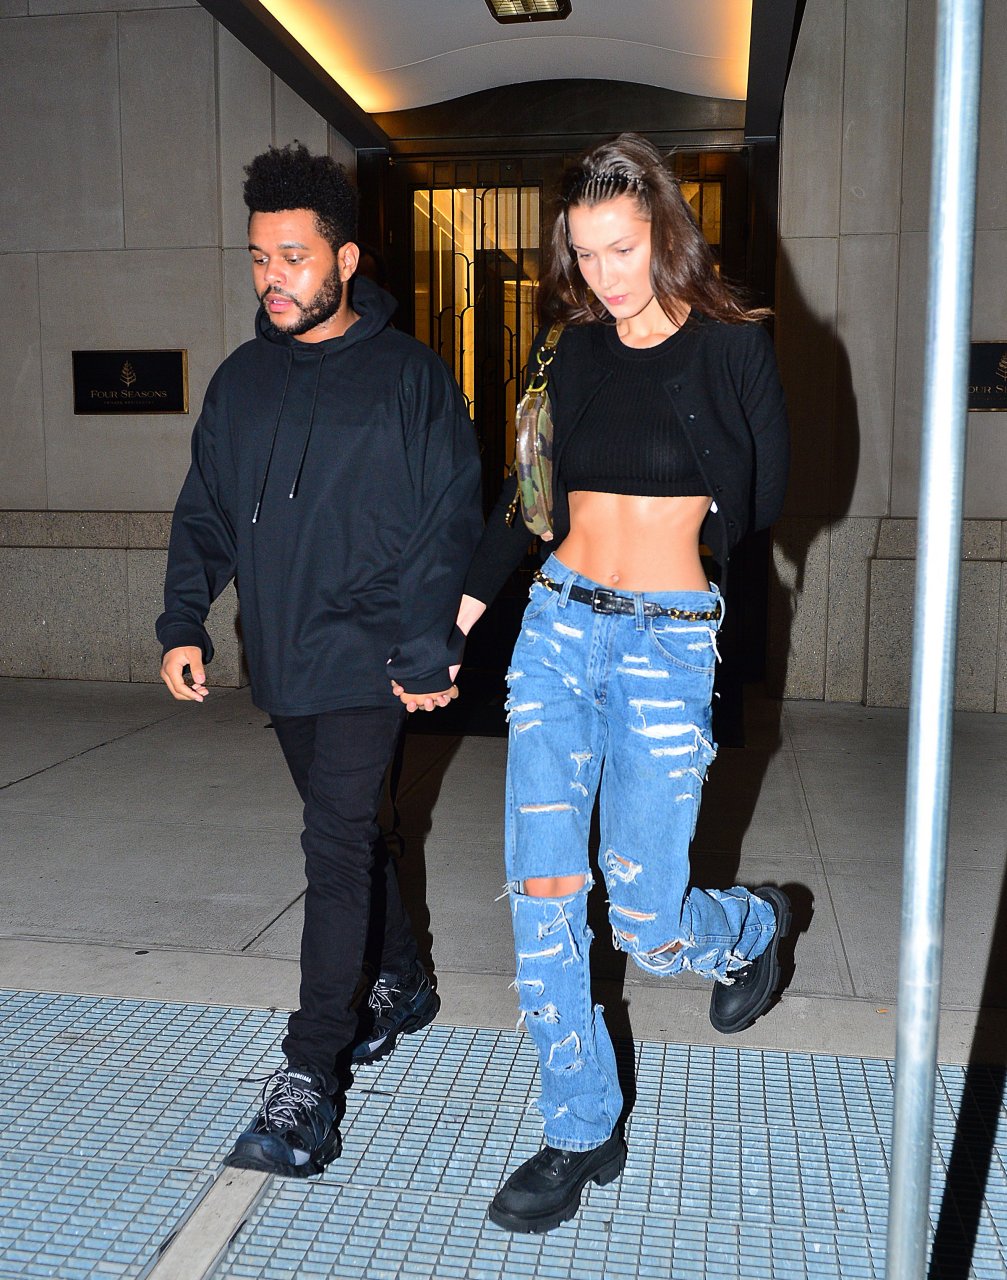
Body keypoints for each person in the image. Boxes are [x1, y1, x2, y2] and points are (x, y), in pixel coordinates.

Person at [452, 133, 791, 1233]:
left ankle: (749, 925)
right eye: (585, 251)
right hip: (555, 630)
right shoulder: (564, 350)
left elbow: (766, 496)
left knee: (646, 918)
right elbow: (525, 497)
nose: (603, 273)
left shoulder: (732, 348)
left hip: (665, 643)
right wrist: (457, 621)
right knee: (544, 895)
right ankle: (578, 1123)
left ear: (665, 236)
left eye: (622, 248)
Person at [157, 143, 482, 1177]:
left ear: (344, 258)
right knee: (358, 834)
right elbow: (206, 510)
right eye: (259, 258)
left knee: (333, 847)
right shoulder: (242, 381)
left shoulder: (408, 377)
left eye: (293, 257)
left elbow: (447, 521)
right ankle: (405, 978)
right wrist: (182, 620)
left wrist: (426, 643)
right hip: (283, 658)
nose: (273, 278)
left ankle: (308, 1080)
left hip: (372, 658)